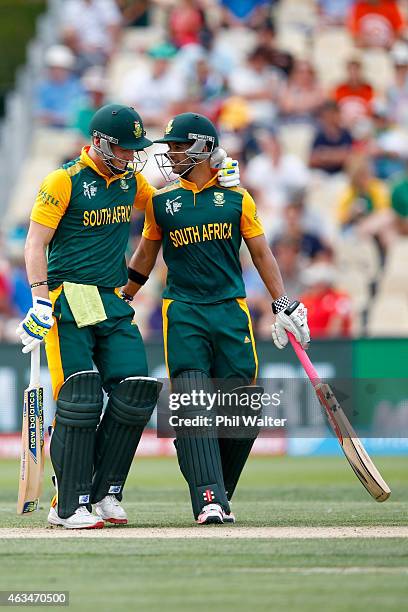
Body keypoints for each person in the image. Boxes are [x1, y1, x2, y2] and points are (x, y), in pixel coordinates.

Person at [16, 104, 239, 530]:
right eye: (125, 147)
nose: (132, 155)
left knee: (136, 390)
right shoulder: (63, 181)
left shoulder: (131, 181)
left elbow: (173, 210)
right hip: (68, 297)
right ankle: (67, 505)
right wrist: (40, 300)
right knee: (79, 398)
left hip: (112, 299)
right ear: (99, 142)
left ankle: (103, 492)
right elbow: (34, 244)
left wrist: (216, 178)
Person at [122, 112, 310, 525]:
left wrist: (283, 303)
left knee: (243, 409)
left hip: (232, 311)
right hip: (184, 311)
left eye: (176, 145)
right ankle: (208, 498)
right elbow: (145, 257)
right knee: (192, 402)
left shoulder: (238, 198)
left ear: (202, 148)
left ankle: (214, 486)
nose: (168, 153)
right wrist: (125, 297)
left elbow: (262, 253)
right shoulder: (160, 201)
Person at [35, 45, 85, 128]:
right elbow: (40, 114)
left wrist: (55, 117)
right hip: (49, 132)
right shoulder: (44, 88)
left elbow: (78, 114)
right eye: (53, 68)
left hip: (72, 132)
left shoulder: (77, 87)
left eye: (60, 68)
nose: (56, 72)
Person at [309, 101, 353, 174]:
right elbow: (312, 161)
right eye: (329, 115)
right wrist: (338, 155)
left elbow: (351, 157)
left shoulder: (346, 134)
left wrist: (325, 155)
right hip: (322, 175)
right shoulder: (319, 135)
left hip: (343, 175)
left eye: (336, 113)